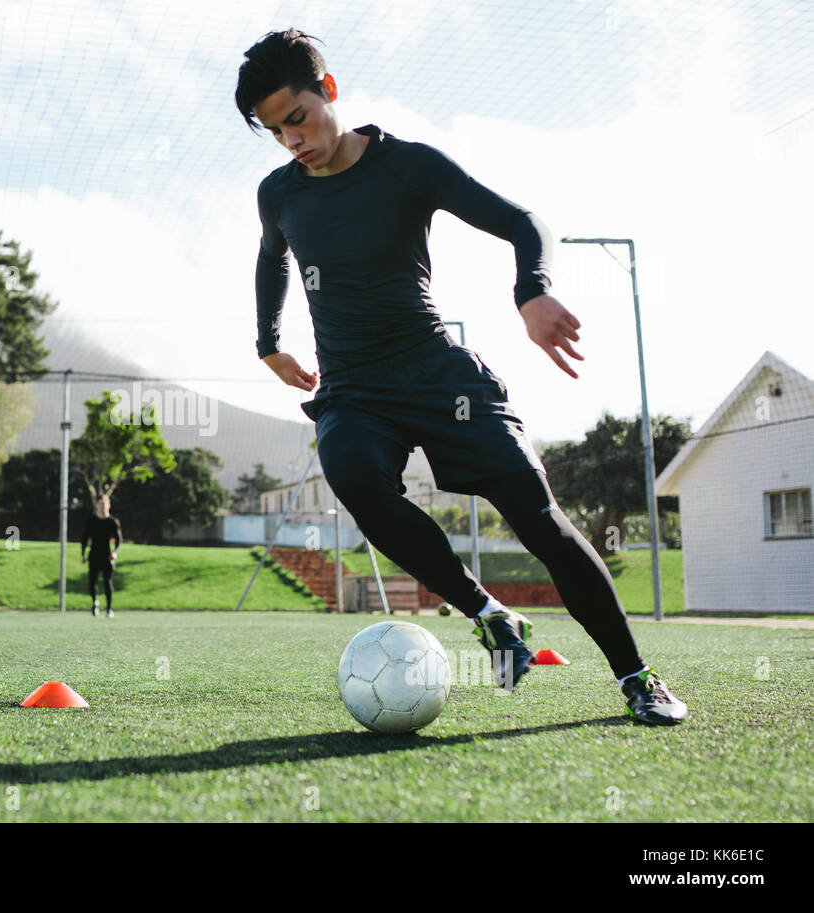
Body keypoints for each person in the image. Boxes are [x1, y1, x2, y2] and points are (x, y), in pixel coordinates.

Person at [235, 29, 686, 724]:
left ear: (327, 90)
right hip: (353, 389)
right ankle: (487, 611)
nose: (290, 139)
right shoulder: (280, 195)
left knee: (542, 523)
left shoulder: (406, 166)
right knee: (351, 468)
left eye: (295, 117)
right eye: (273, 131)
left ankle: (638, 677)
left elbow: (521, 220)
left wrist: (531, 291)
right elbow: (271, 260)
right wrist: (268, 342)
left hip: (437, 374)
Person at [80, 496, 123, 617]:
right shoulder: (91, 521)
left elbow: (119, 539)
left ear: (109, 505)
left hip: (107, 555)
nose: (102, 506)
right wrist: (83, 553)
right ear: (97, 506)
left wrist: (115, 552)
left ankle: (109, 609)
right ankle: (94, 603)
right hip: (94, 555)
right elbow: (84, 538)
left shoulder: (113, 522)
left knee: (107, 582)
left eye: (104, 503)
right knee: (92, 582)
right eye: (100, 503)